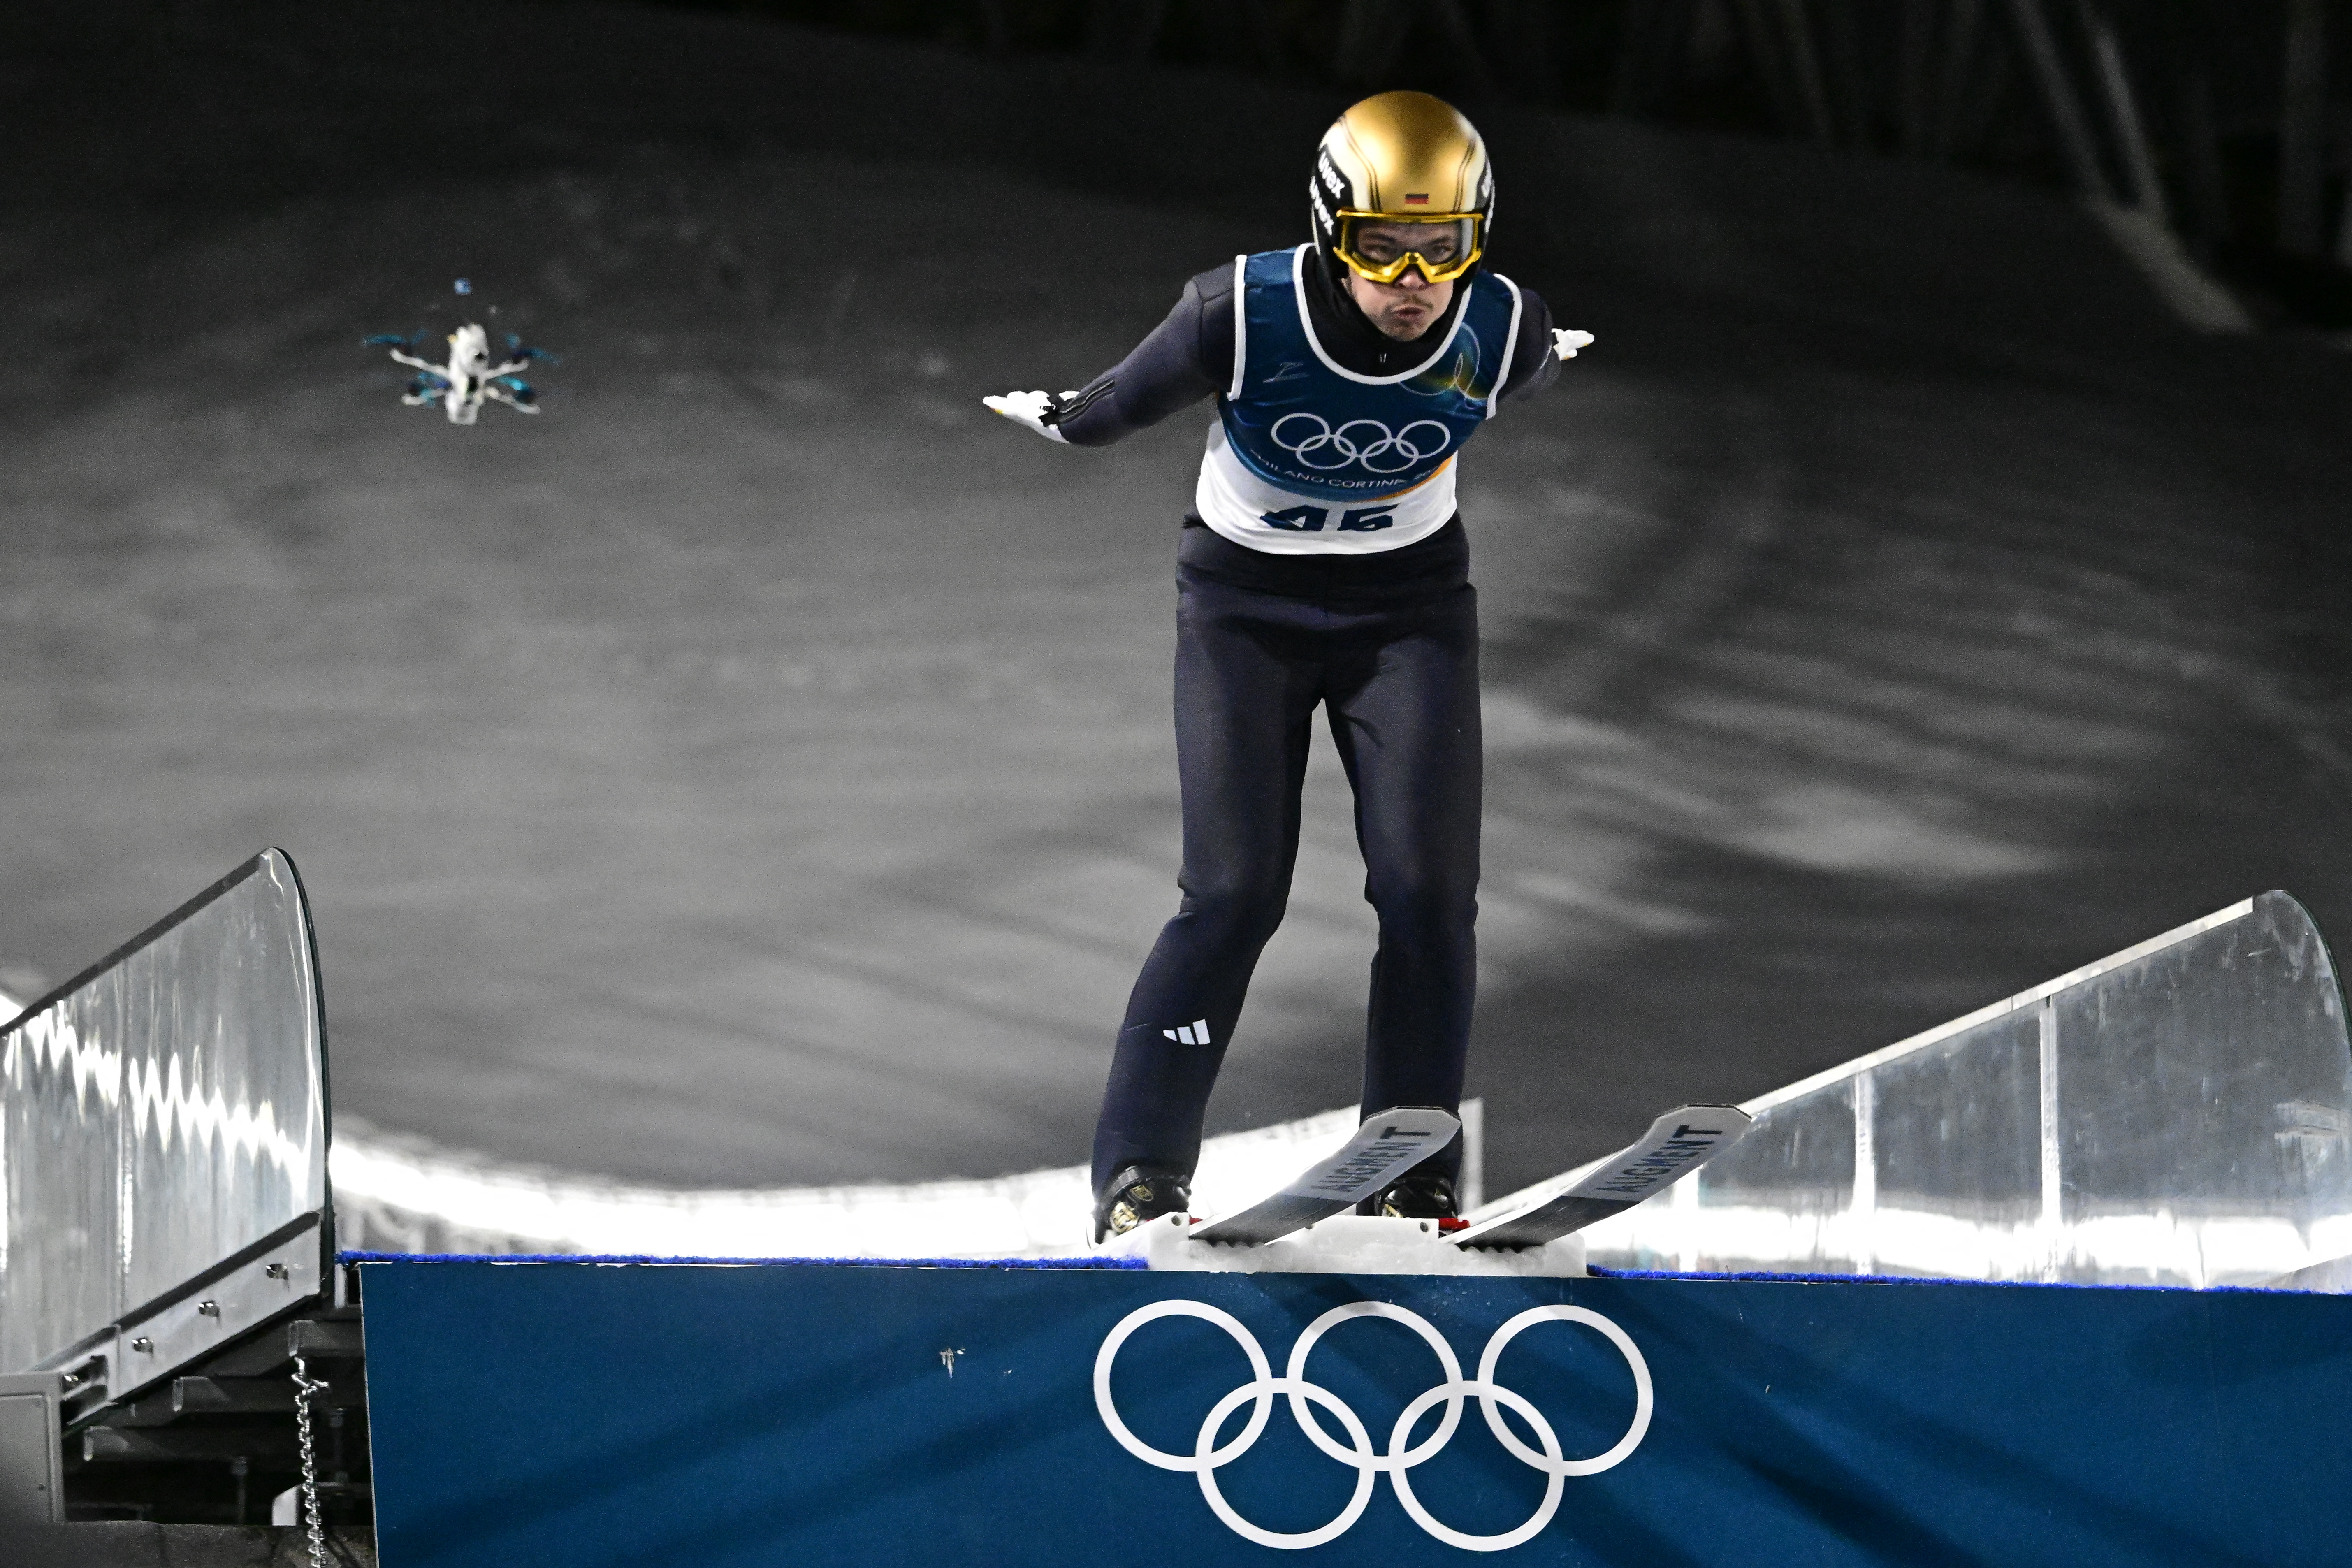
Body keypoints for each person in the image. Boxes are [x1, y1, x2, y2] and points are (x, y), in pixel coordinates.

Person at [984, 90, 1589, 1242]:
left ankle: (1415, 1174)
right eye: (1382, 247)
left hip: (1408, 613)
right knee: (1233, 892)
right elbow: (1119, 402)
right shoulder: (1239, 312)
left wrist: (1550, 346)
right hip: (1243, 612)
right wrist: (1066, 420)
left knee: (1426, 895)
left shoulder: (1501, 329)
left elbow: (1532, 355)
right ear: (1329, 232)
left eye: (1443, 248)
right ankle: (1141, 1177)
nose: (1414, 282)